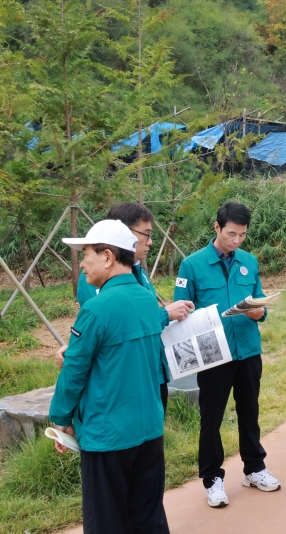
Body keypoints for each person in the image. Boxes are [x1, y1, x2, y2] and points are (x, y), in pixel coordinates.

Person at [50, 220, 169, 533]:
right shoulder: (146, 300)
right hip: (148, 428)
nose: (83, 263)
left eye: (86, 253)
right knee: (148, 515)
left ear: (107, 256)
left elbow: (74, 370)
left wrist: (61, 420)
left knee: (106, 521)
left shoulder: (96, 309)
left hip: (108, 435)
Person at [174, 202, 280, 508]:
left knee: (250, 412)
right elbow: (181, 310)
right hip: (213, 355)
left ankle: (255, 468)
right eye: (231, 233)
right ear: (217, 228)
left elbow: (260, 304)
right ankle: (212, 478)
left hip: (247, 349)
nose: (236, 241)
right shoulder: (192, 266)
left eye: (242, 235)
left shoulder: (249, 261)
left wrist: (259, 313)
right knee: (212, 418)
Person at [58, 202, 195, 415]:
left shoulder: (138, 271)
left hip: (150, 372)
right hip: (123, 380)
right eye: (146, 234)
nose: (150, 242)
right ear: (124, 234)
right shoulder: (95, 278)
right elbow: (112, 325)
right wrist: (165, 314)